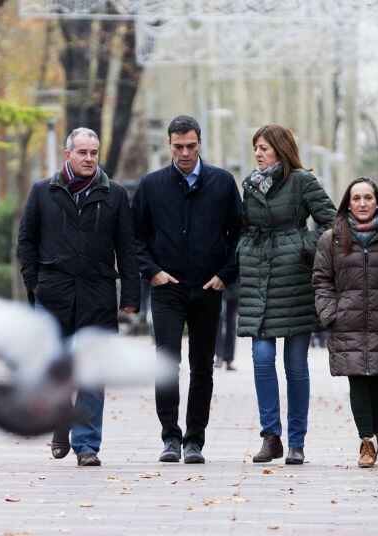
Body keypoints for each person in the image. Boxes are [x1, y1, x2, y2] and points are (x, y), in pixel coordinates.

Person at [17, 127, 140, 467]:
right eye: (82, 152)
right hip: (53, 291)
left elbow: (126, 248)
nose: (89, 159)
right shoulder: (44, 191)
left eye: (94, 153)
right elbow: (26, 241)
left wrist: (130, 294)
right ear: (67, 155)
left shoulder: (113, 194)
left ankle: (87, 445)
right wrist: (34, 283)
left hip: (97, 293)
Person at [132, 115, 242, 464]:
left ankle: (195, 438)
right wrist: (153, 273)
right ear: (169, 145)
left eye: (190, 146)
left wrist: (226, 274)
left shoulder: (223, 184)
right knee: (166, 362)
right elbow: (135, 238)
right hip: (166, 287)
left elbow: (240, 235)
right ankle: (170, 437)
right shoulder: (151, 186)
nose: (184, 153)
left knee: (202, 366)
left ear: (200, 144)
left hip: (209, 287)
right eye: (178, 146)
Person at [237, 124, 336, 465]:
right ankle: (270, 436)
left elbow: (332, 224)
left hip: (294, 283)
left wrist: (300, 245)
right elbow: (243, 227)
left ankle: (297, 441)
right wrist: (244, 249)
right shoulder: (249, 185)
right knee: (262, 359)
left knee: (295, 366)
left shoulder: (301, 182)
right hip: (259, 282)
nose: (258, 153)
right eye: (256, 148)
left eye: (264, 147)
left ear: (280, 148)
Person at [312, 177, 378, 468]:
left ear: (377, 201)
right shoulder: (332, 238)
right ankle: (366, 440)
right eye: (356, 198)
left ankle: (374, 431)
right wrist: (330, 313)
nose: (362, 204)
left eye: (367, 198)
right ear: (347, 203)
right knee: (357, 379)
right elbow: (321, 280)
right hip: (346, 320)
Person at [214, 279, 240, 371]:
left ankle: (228, 358)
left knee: (231, 324)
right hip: (219, 285)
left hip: (235, 287)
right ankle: (219, 354)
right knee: (218, 321)